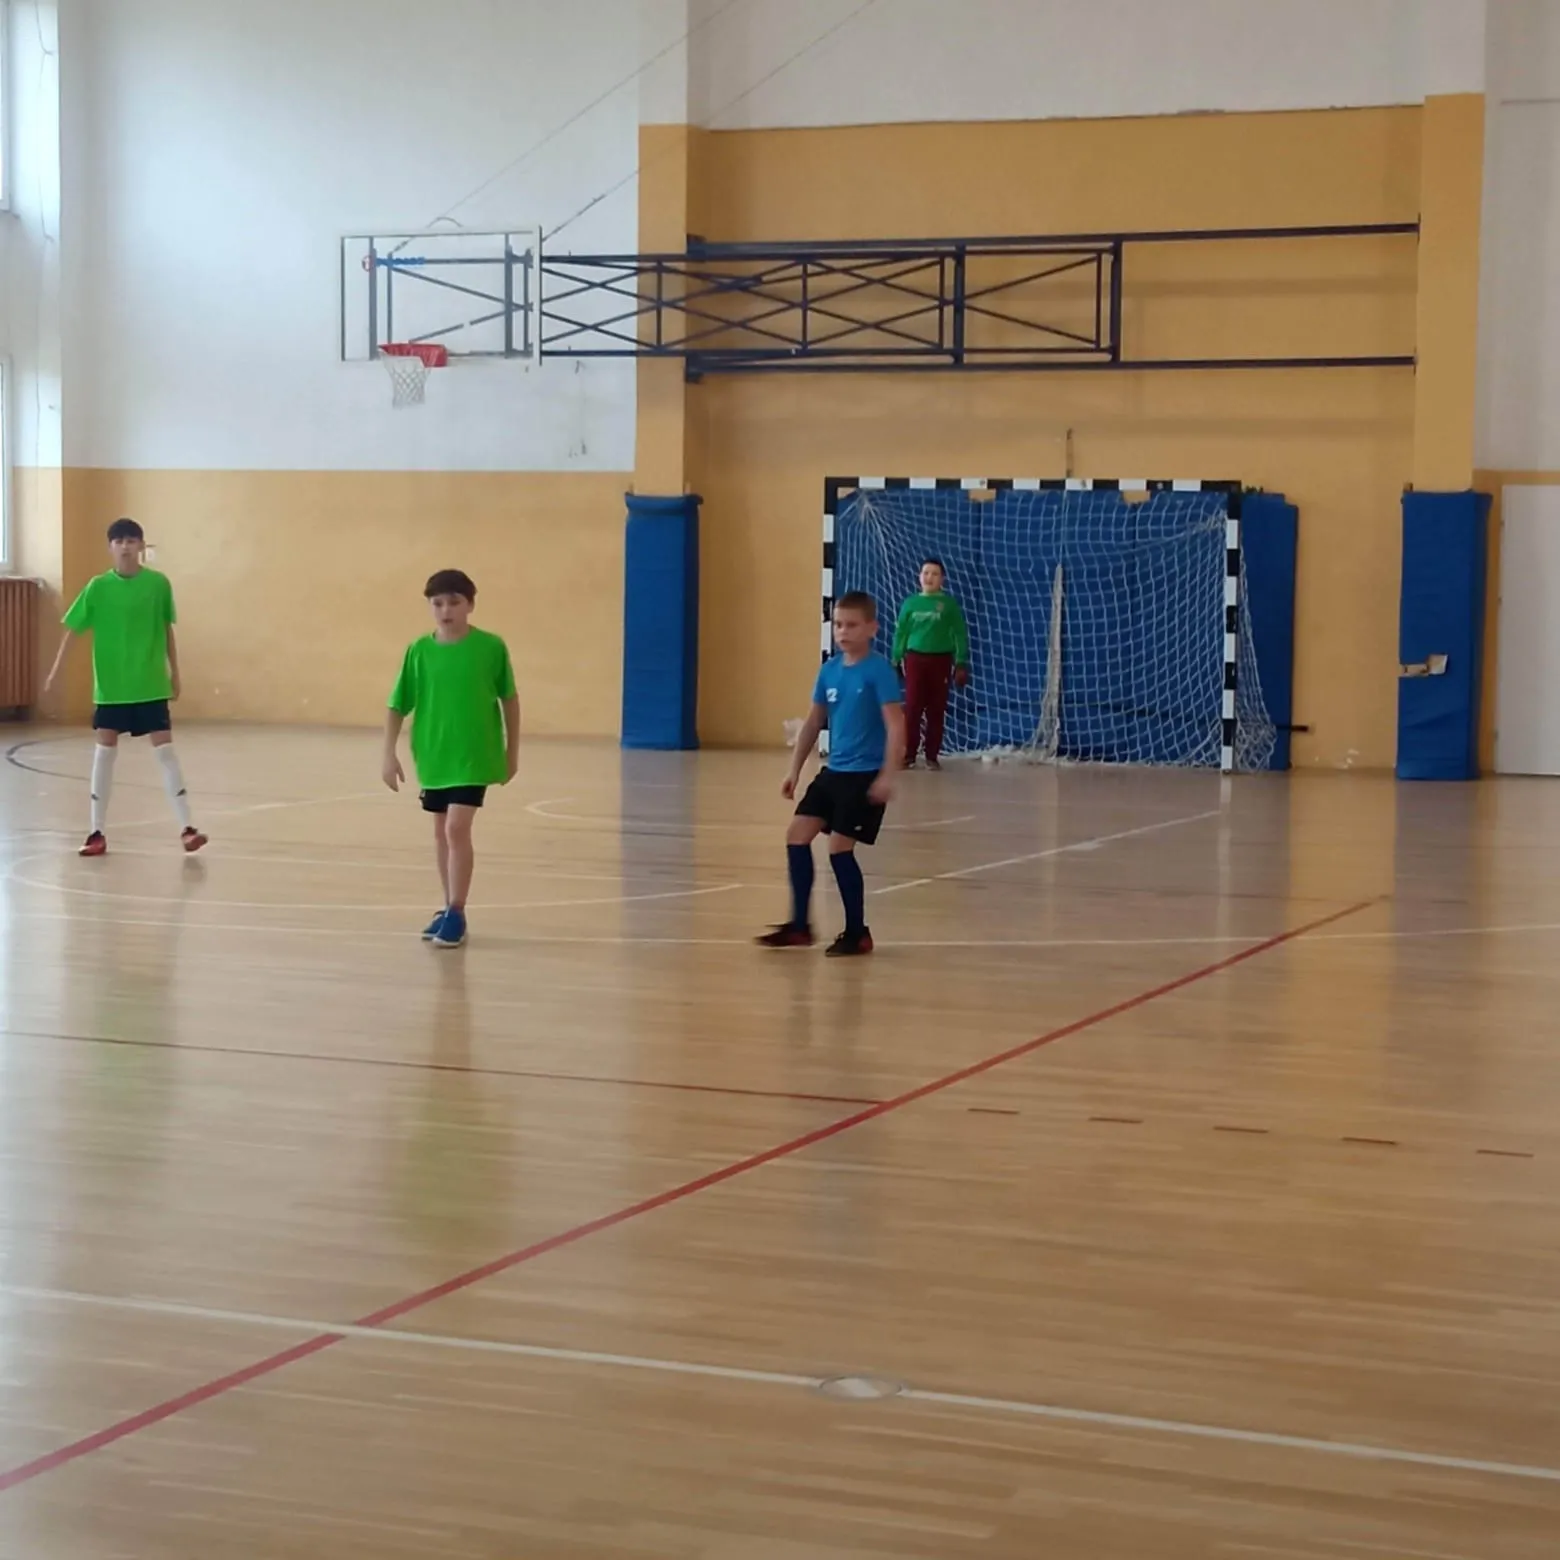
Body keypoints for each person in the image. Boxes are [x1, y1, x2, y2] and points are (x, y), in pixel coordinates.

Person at [43, 517, 208, 858]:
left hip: (150, 684)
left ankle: (187, 828)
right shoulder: (98, 587)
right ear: (110, 547)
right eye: (119, 541)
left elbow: (167, 629)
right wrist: (56, 672)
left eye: (132, 540)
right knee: (104, 753)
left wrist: (175, 672)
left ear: (141, 546)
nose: (125, 547)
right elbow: (73, 630)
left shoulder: (158, 585)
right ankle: (96, 832)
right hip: (112, 688)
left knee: (165, 751)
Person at [757, 590, 904, 957]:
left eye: (852, 625)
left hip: (864, 775)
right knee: (796, 836)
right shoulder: (829, 671)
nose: (843, 632)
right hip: (833, 773)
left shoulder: (879, 671)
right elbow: (813, 723)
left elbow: (896, 725)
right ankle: (799, 926)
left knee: (839, 848)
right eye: (838, 624)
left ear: (872, 628)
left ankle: (857, 933)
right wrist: (794, 770)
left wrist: (888, 775)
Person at [382, 568, 520, 949]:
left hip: (475, 754)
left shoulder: (491, 647)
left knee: (457, 828)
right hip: (433, 754)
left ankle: (457, 910)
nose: (446, 610)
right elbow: (397, 704)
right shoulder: (418, 651)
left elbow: (509, 699)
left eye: (454, 603)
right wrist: (388, 754)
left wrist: (512, 751)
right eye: (438, 603)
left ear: (470, 605)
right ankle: (447, 907)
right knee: (441, 831)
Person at [891, 558, 971, 770]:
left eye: (935, 574)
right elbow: (901, 633)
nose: (929, 577)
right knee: (913, 708)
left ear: (942, 579)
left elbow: (959, 633)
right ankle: (909, 754)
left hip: (941, 661)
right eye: (925, 573)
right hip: (915, 660)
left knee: (936, 709)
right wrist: (896, 658)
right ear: (919, 577)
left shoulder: (949, 605)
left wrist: (961, 662)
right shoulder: (910, 604)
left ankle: (931, 755)